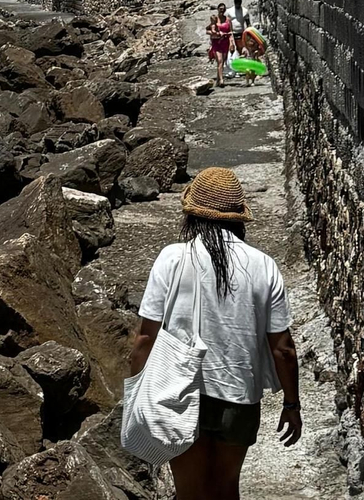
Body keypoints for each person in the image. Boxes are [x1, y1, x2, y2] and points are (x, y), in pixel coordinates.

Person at [130, 167, 301, 500]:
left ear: (191, 215)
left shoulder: (172, 259)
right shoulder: (264, 266)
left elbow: (144, 341)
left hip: (180, 395)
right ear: (238, 218)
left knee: (189, 492)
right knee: (225, 490)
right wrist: (291, 404)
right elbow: (283, 349)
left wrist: (137, 396)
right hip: (239, 398)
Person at [206, 3, 232, 87]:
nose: (222, 10)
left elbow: (231, 32)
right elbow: (207, 30)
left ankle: (218, 79)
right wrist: (214, 33)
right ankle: (221, 80)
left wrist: (231, 42)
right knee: (220, 60)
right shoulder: (214, 19)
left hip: (225, 42)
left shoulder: (228, 20)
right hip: (216, 42)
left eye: (223, 9)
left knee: (222, 61)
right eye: (220, 9)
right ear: (217, 9)